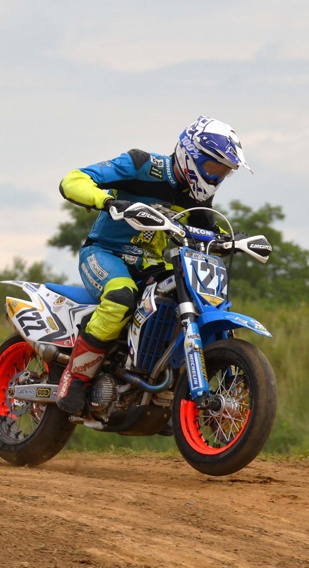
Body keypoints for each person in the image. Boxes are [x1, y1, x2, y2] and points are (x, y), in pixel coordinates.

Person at [55, 115, 250, 415]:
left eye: (223, 172)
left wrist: (232, 241)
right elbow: (72, 180)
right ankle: (75, 379)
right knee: (121, 297)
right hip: (105, 253)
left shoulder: (196, 199)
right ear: (191, 156)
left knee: (188, 298)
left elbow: (207, 232)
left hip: (150, 264)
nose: (216, 178)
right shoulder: (141, 165)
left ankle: (165, 383)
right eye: (213, 168)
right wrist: (108, 202)